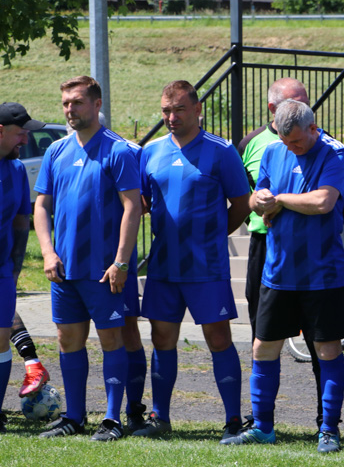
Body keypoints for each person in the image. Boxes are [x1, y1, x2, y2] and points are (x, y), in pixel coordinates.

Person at [224, 100, 344, 453]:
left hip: (322, 273)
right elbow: (255, 200)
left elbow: (324, 202)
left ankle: (328, 429)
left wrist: (279, 198)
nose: (290, 148)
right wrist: (260, 199)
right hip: (278, 269)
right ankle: (263, 427)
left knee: (327, 349)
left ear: (313, 128)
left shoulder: (334, 153)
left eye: (296, 142)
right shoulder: (273, 151)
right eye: (285, 141)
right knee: (263, 348)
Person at [135, 80, 250, 441]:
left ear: (197, 109)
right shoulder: (150, 152)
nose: (171, 117)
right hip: (164, 267)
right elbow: (142, 203)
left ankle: (233, 419)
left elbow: (242, 204)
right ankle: (160, 418)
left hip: (207, 267)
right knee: (162, 337)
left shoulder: (222, 151)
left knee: (218, 338)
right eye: (166, 110)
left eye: (179, 109)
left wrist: (213, 236)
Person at [33, 76, 142, 441]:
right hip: (64, 270)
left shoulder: (119, 151)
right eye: (66, 103)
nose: (70, 109)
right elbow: (42, 206)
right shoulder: (56, 151)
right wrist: (48, 252)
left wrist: (121, 262)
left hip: (104, 270)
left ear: (96, 105)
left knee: (112, 340)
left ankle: (112, 419)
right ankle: (74, 417)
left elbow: (133, 208)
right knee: (67, 340)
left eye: (77, 102)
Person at [237, 77, 326, 429]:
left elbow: (339, 200)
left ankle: (324, 418)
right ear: (273, 110)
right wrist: (258, 203)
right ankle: (262, 418)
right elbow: (244, 192)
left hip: (313, 251)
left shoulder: (322, 143)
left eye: (304, 101)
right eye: (293, 101)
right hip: (266, 248)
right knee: (265, 337)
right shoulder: (251, 143)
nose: (302, 107)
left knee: (321, 341)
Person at [0, 102, 45, 433]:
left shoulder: (15, 170)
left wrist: (14, 268)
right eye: (19, 133)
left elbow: (20, 219)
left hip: (2, 269)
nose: (25, 139)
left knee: (2, 338)